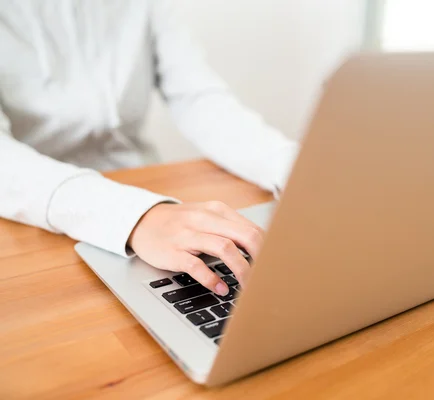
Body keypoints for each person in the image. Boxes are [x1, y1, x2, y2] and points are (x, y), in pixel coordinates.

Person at [0, 1, 298, 297]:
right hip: (32, 217)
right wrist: (136, 216)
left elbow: (197, 98)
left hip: (146, 190)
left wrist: (296, 169)